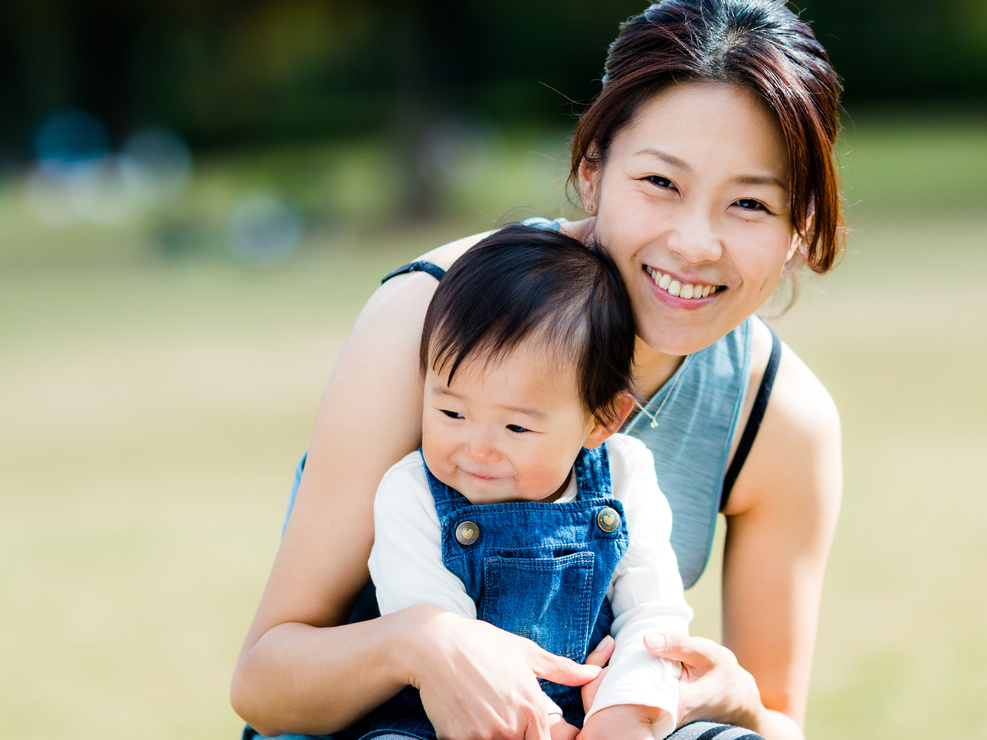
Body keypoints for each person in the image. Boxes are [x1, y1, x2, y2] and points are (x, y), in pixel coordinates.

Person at [231, 1, 845, 739]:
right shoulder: (430, 316)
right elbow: (264, 682)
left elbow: (779, 723)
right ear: (592, 171)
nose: (694, 243)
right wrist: (421, 643)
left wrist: (734, 698)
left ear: (798, 228)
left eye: (749, 203)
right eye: (660, 182)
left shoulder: (778, 415)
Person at [356, 224, 692, 740]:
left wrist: (624, 715)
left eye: (516, 426)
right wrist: (549, 730)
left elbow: (654, 613)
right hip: (453, 717)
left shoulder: (624, 475)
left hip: (605, 707)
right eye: (450, 411)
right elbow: (446, 645)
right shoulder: (412, 494)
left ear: (600, 419)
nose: (479, 447)